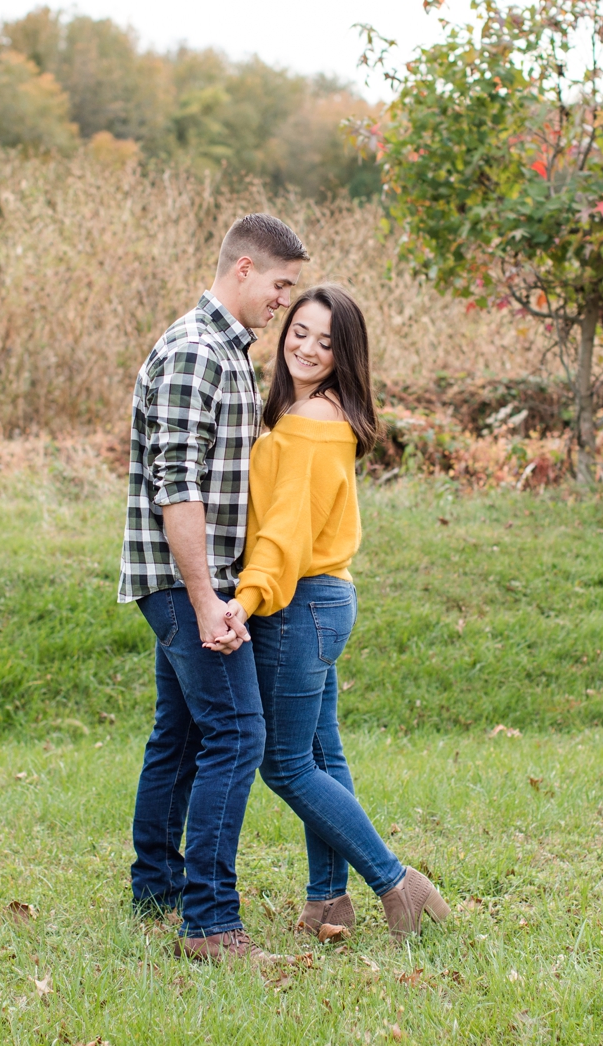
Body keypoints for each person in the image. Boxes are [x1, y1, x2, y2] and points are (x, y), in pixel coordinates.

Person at [229, 284, 451, 943]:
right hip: (325, 599)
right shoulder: (316, 412)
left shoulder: (310, 423)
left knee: (286, 764)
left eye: (327, 342)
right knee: (320, 754)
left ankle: (397, 883)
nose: (307, 347)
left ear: (344, 355)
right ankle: (328, 903)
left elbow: (286, 533)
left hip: (299, 601)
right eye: (300, 330)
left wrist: (244, 603)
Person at [119, 212, 307, 963]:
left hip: (198, 578)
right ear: (243, 271)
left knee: (184, 732)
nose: (285, 303)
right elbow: (178, 487)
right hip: (181, 580)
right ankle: (210, 924)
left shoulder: (228, 351)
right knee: (239, 734)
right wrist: (205, 599)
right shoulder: (198, 353)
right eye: (280, 285)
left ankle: (158, 888)